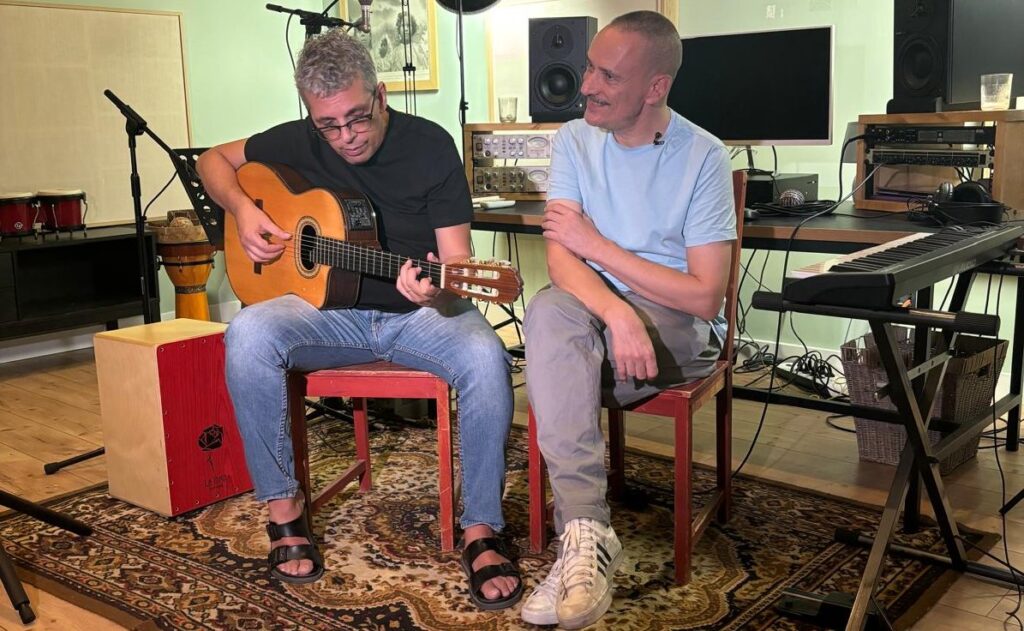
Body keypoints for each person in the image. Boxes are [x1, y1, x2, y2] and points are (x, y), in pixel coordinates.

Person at [196, 29, 522, 610]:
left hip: (420, 316)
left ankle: (480, 529)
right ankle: (284, 510)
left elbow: (456, 265)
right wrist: (243, 209)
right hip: (328, 315)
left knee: (484, 356)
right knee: (247, 333)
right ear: (310, 114)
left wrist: (436, 292)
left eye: (357, 117)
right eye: (328, 125)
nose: (346, 136)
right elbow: (211, 160)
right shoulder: (297, 139)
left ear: (381, 95)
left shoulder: (430, 146)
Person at [520, 11, 737, 629]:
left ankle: (578, 543)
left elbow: (703, 297)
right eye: (589, 67)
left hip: (678, 324)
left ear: (655, 87)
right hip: (596, 309)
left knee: (557, 364)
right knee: (548, 310)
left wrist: (600, 246)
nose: (586, 85)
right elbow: (561, 260)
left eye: (608, 76)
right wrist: (616, 312)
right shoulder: (573, 139)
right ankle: (586, 533)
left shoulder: (704, 157)